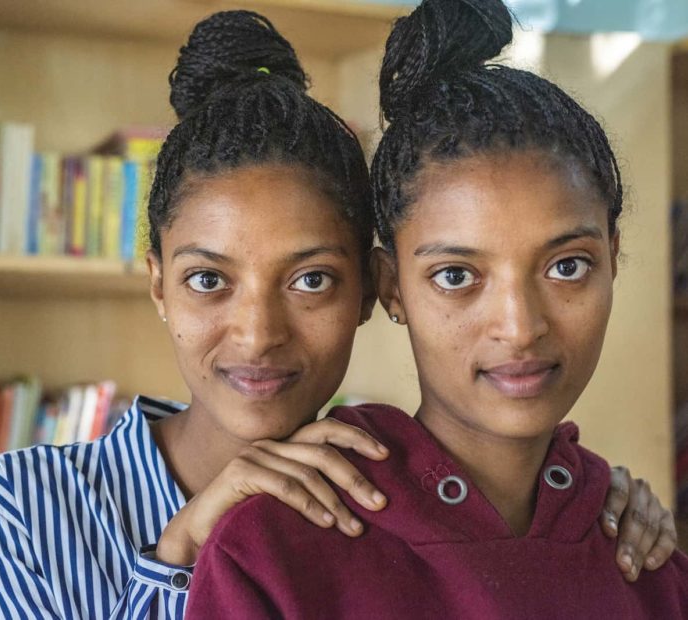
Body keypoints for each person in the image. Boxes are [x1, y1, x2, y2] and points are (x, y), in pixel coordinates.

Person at [0, 9, 678, 620]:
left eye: (311, 280)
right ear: (158, 283)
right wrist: (183, 545)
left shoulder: (374, 476)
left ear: (373, 290)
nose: (258, 334)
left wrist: (581, 502)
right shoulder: (32, 502)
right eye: (209, 279)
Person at [184, 1, 687, 618]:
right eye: (456, 275)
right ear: (389, 286)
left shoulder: (647, 562)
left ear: (613, 258)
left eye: (567, 267)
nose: (520, 326)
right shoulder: (272, 551)